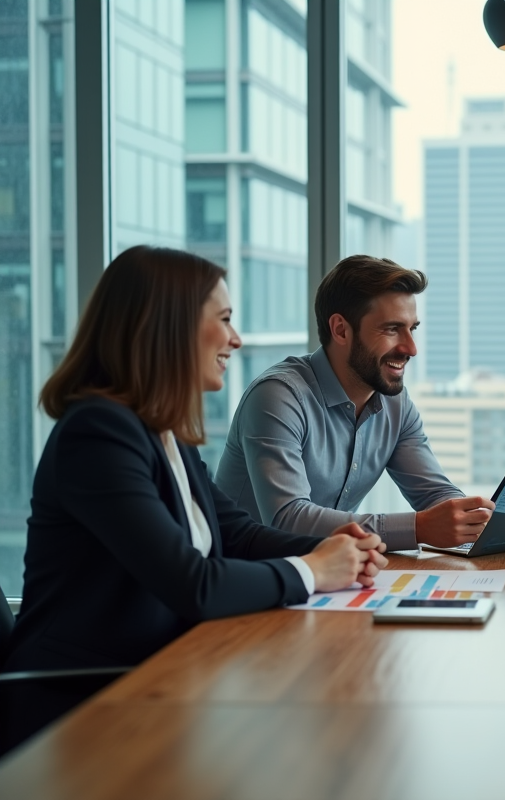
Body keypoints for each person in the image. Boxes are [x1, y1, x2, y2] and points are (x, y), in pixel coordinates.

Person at [1, 246, 387, 751]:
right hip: (77, 704)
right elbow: (193, 584)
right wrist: (315, 570)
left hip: (156, 678)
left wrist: (336, 548)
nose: (236, 338)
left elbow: (237, 534)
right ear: (170, 327)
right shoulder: (97, 434)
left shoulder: (161, 431)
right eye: (224, 319)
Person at [215, 255, 505, 551]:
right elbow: (288, 519)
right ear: (341, 330)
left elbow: (433, 494)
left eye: (412, 329)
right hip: (248, 580)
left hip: (326, 576)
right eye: (392, 329)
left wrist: (488, 525)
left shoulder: (394, 403)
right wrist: (419, 528)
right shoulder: (278, 397)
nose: (411, 348)